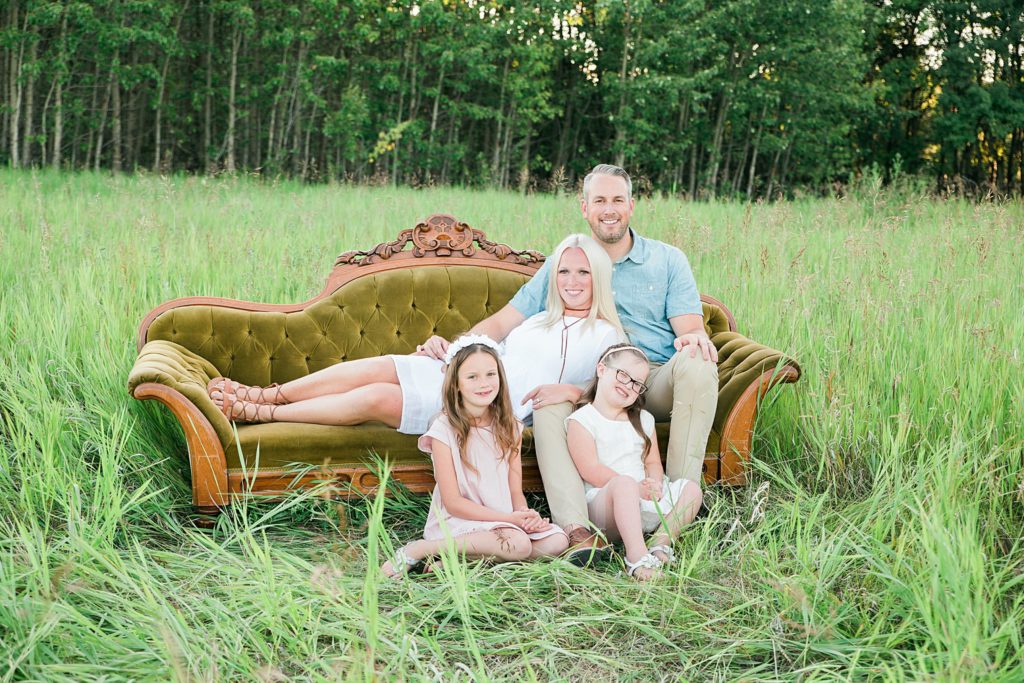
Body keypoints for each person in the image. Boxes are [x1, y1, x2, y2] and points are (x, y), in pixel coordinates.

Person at [466, 164, 719, 565]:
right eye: (600, 200)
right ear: (585, 208)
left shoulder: (668, 260)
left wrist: (694, 337)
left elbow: (689, 328)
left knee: (698, 362)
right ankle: (578, 531)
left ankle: (671, 500)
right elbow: (502, 321)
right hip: (593, 378)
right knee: (549, 400)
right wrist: (460, 350)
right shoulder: (566, 262)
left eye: (618, 199)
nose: (609, 209)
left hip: (652, 377)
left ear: (631, 205)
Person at [207, 234, 624, 432]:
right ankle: (263, 393)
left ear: (598, 277)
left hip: (491, 406)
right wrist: (453, 350)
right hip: (468, 374)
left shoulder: (604, 335)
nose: (571, 281)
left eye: (583, 272)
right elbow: (490, 339)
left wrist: (573, 394)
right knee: (381, 366)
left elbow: (618, 388)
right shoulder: (540, 319)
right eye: (563, 271)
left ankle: (263, 414)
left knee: (376, 398)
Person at [381, 337, 568, 577]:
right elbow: (453, 502)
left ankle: (462, 560)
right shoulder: (444, 429)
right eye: (472, 377)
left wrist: (524, 515)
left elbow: (514, 491)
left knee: (558, 540)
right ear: (456, 383)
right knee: (519, 544)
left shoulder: (510, 426)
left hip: (504, 522)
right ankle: (423, 548)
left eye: (491, 374)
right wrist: (509, 519)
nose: (484, 384)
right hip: (460, 521)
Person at [566, 344, 703, 580]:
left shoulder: (643, 420)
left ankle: (661, 541)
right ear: (601, 369)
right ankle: (636, 558)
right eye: (623, 375)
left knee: (692, 489)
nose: (628, 386)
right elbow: (590, 469)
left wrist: (655, 484)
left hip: (644, 499)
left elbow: (652, 463)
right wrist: (634, 487)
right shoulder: (583, 420)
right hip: (606, 505)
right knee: (624, 484)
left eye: (637, 384)